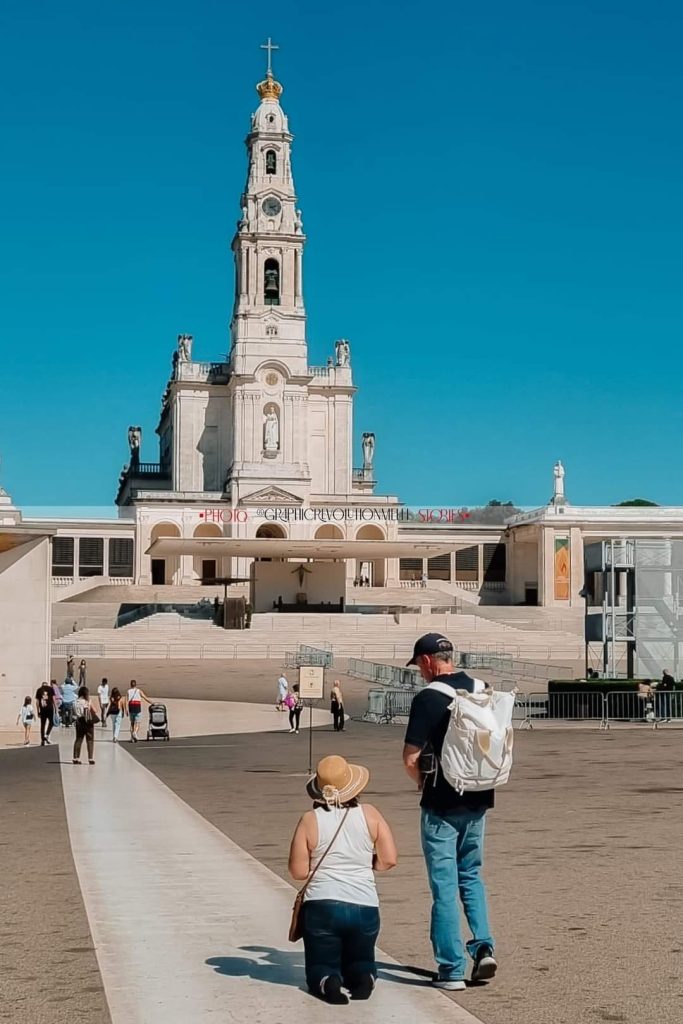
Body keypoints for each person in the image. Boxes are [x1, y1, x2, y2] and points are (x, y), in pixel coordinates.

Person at [402, 632, 498, 990]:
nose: (420, 673)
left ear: (428, 661)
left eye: (420, 666)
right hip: (479, 796)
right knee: (471, 876)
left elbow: (410, 756)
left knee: (444, 887)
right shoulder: (481, 686)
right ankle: (484, 946)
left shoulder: (429, 697)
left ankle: (451, 968)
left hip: (441, 803)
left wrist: (421, 784)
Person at [288, 755, 397, 1004]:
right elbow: (389, 859)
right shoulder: (371, 814)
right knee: (361, 957)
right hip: (364, 903)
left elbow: (298, 872)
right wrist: (367, 863)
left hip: (322, 904)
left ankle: (328, 981)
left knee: (321, 962)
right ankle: (364, 977)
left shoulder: (309, 820)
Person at [73, 686, 99, 765]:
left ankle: (76, 758)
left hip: (79, 721)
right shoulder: (87, 702)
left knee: (78, 739)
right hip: (88, 722)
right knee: (90, 740)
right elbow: (95, 710)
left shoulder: (75, 702)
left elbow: (74, 713)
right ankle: (90, 758)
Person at [35, 681, 56, 746]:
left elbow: (37, 702)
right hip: (50, 708)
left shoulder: (39, 690)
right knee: (52, 722)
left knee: (42, 725)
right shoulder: (50, 689)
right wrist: (56, 708)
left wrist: (38, 711)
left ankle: (42, 740)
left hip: (43, 709)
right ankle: (46, 735)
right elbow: (53, 699)